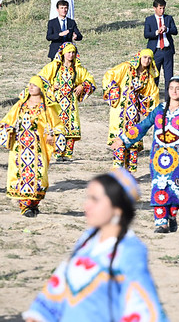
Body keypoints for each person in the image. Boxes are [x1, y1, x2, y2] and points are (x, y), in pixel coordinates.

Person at [22, 169, 169, 321]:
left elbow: (144, 309)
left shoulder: (129, 252)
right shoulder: (88, 239)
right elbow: (56, 289)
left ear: (117, 209)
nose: (87, 206)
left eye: (95, 199)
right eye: (88, 198)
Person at [114, 77, 179, 233]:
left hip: (178, 157)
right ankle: (161, 223)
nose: (174, 91)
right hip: (158, 157)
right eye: (171, 88)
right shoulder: (159, 109)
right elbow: (143, 126)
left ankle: (172, 215)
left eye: (177, 88)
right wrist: (124, 139)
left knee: (175, 188)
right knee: (159, 186)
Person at [0, 75, 65, 217]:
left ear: (40, 88)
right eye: (29, 84)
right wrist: (9, 130)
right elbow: (6, 121)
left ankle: (34, 204)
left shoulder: (46, 107)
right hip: (20, 146)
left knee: (39, 175)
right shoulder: (20, 105)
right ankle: (25, 207)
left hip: (38, 148)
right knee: (21, 175)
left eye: (34, 85)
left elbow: (58, 125)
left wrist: (52, 134)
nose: (30, 87)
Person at [103, 50, 160, 172]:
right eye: (144, 57)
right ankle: (117, 170)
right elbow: (109, 75)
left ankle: (128, 172)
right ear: (139, 57)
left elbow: (153, 94)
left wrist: (145, 102)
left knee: (132, 137)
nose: (147, 61)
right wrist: (115, 91)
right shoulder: (126, 67)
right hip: (120, 110)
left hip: (134, 113)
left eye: (149, 58)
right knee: (119, 137)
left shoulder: (147, 77)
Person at [37, 43, 95, 161]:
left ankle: (68, 154)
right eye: (69, 52)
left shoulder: (77, 69)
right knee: (57, 126)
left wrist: (82, 86)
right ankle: (58, 153)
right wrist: (51, 87)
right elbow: (39, 79)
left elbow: (90, 80)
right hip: (57, 102)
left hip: (71, 103)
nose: (71, 55)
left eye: (73, 52)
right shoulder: (54, 66)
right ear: (63, 53)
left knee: (71, 127)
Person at [144, 0, 178, 91]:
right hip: (156, 52)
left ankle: (168, 98)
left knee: (169, 77)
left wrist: (167, 29)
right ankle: (153, 96)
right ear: (154, 8)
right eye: (160, 8)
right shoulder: (149, 20)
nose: (162, 11)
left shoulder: (168, 18)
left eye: (163, 8)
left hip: (167, 51)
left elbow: (175, 31)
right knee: (154, 77)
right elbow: (146, 34)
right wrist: (156, 32)